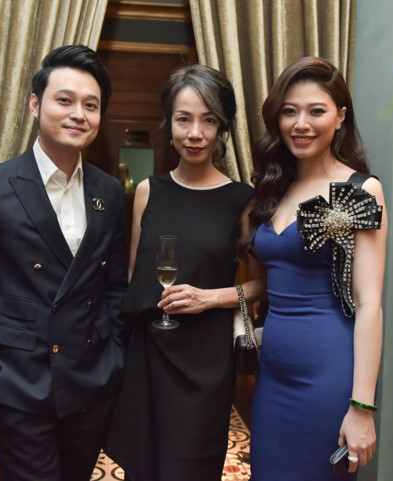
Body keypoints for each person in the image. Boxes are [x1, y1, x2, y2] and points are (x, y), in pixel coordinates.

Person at [0, 45, 128, 481]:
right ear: (35, 104)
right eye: (64, 100)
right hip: (19, 386)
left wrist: (115, 358)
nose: (78, 114)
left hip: (91, 382)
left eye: (91, 105)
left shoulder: (109, 190)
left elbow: (115, 286)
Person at [105, 64, 264, 481]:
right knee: (144, 467)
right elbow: (132, 276)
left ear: (222, 127)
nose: (195, 133)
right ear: (169, 123)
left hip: (206, 362)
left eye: (208, 120)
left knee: (191, 467)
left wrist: (209, 298)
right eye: (183, 119)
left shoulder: (242, 199)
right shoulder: (147, 191)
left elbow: (262, 284)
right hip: (148, 355)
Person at [245, 56, 388, 480]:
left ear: (340, 117)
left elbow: (370, 303)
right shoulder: (275, 187)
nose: (301, 124)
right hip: (272, 376)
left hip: (327, 377)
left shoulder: (360, 189)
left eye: (316, 111)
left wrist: (362, 406)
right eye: (290, 111)